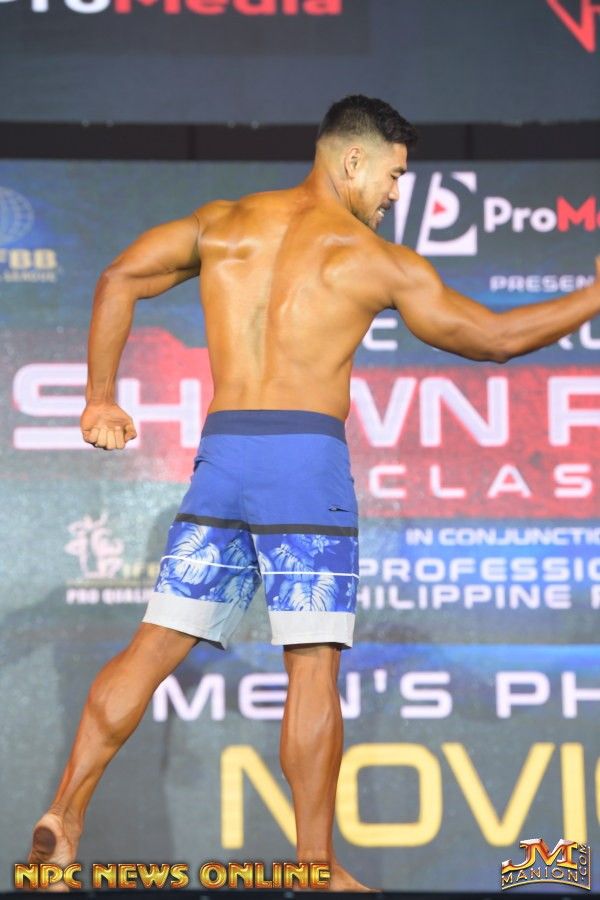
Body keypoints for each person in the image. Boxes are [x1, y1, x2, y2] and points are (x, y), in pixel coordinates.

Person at [28, 95, 600, 892]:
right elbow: (495, 338)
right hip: (304, 464)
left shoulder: (224, 224)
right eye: (394, 176)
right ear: (353, 159)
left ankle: (65, 816)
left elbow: (119, 274)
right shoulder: (371, 259)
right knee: (311, 667)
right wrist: (593, 295)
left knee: (154, 645)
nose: (395, 194)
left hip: (225, 456)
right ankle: (314, 868)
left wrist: (100, 397)